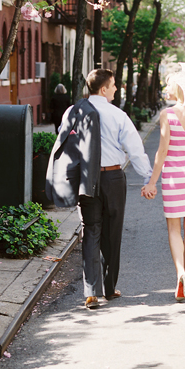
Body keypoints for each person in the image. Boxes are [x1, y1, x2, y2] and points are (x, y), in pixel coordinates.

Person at [46, 68, 153, 309]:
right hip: (113, 177)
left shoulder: (73, 111)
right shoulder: (118, 115)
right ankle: (109, 287)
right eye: (113, 85)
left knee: (91, 231)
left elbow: (62, 144)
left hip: (87, 178)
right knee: (112, 232)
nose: (116, 88)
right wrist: (149, 178)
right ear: (103, 89)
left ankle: (91, 292)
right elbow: (135, 150)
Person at [142, 74, 185, 301]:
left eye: (170, 84)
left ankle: (180, 272)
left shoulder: (167, 114)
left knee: (174, 228)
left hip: (174, 177)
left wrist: (152, 182)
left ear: (179, 89)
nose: (166, 87)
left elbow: (162, 151)